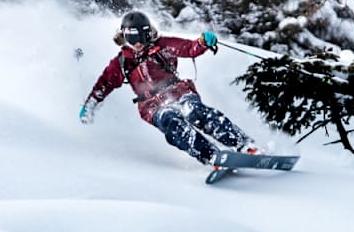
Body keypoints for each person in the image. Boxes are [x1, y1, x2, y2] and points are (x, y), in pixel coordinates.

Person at [79, 10, 258, 165]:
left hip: (177, 91)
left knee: (194, 110)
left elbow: (188, 48)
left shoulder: (162, 45)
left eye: (142, 37)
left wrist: (202, 42)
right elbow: (104, 84)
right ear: (124, 37)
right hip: (151, 105)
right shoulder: (122, 62)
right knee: (171, 122)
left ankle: (244, 145)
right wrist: (90, 104)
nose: (138, 43)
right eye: (132, 38)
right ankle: (212, 157)